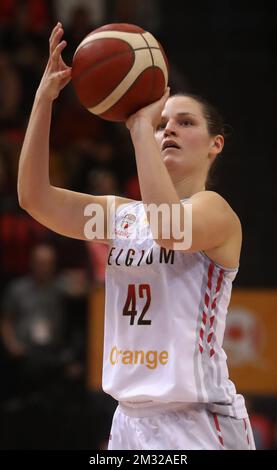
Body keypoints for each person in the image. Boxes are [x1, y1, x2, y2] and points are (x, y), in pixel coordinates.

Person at [17, 22, 255, 450]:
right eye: (163, 123)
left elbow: (168, 230)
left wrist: (139, 126)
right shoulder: (121, 218)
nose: (168, 130)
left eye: (184, 123)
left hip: (197, 422)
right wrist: (44, 98)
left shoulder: (215, 212)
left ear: (215, 145)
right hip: (128, 420)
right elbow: (34, 198)